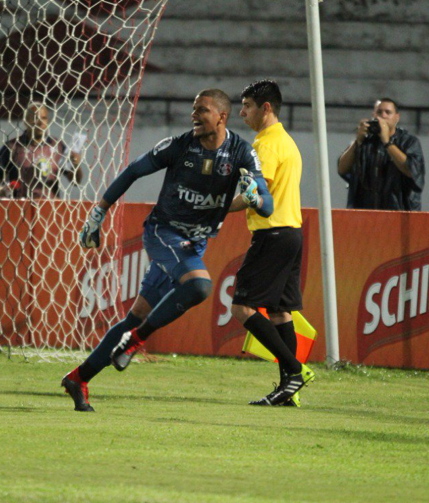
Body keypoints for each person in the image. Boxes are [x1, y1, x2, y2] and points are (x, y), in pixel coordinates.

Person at [61, 88, 276, 412]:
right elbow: (133, 171)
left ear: (221, 116)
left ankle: (79, 378)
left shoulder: (242, 153)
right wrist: (98, 213)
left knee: (136, 316)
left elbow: (268, 206)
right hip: (164, 233)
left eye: (201, 110)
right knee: (200, 285)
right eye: (193, 109)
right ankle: (134, 343)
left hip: (195, 242)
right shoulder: (179, 146)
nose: (194, 115)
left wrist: (254, 197)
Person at [228, 79, 314, 407]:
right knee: (281, 312)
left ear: (266, 108)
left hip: (273, 233)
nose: (241, 112)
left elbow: (256, 195)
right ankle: (287, 390)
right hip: (291, 233)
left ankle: (294, 370)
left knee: (242, 306)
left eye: (247, 105)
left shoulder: (265, 143)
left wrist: (216, 207)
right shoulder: (286, 141)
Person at [337, 98, 425, 210]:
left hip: (398, 214)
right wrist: (357, 142)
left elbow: (412, 170)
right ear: (373, 115)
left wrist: (387, 142)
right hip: (364, 215)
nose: (382, 116)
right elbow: (342, 169)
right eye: (379, 112)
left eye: (387, 112)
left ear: (397, 117)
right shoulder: (365, 142)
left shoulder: (409, 142)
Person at [0, 101, 83, 199]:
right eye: (35, 118)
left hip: (50, 208)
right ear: (26, 121)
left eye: (44, 118)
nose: (40, 122)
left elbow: (75, 182)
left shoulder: (57, 146)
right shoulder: (12, 147)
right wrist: (0, 190)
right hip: (20, 207)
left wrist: (76, 165)